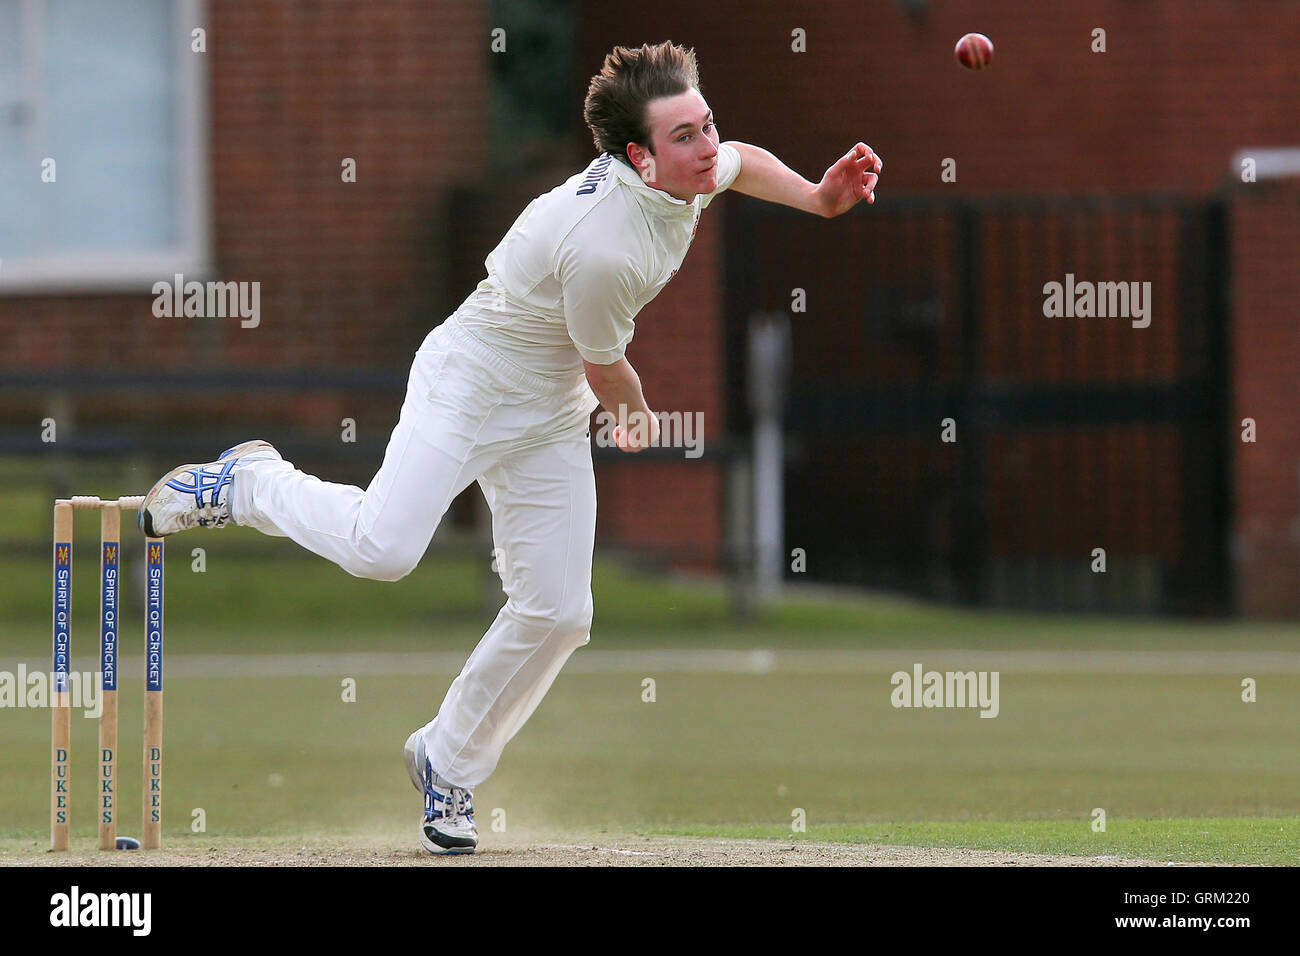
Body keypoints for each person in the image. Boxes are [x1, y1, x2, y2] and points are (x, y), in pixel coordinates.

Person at [138, 40, 882, 855]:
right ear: (639, 157)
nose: (707, 148)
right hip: (470, 381)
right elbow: (609, 371)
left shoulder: (691, 169)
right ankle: (248, 483)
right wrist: (637, 418)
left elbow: (742, 161)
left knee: (561, 611)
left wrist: (817, 197)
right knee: (383, 549)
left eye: (706, 127)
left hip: (547, 409)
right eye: (685, 138)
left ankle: (447, 760)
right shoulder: (606, 246)